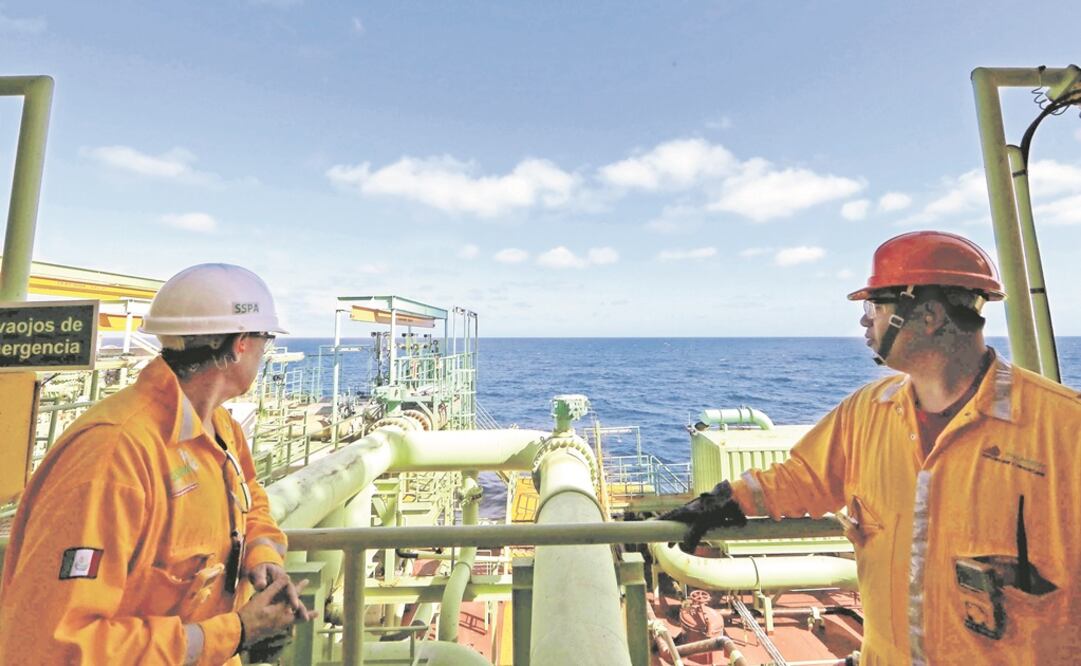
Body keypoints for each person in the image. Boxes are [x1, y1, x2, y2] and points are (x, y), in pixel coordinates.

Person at [662, 231, 1081, 664]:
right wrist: (723, 502)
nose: (866, 321)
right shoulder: (867, 412)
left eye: (876, 306)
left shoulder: (1064, 430)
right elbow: (803, 479)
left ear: (931, 314)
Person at [0, 263, 315, 665]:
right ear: (240, 344)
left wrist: (262, 558)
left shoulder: (220, 428)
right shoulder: (114, 454)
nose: (264, 350)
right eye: (265, 338)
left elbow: (249, 497)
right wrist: (235, 632)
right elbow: (61, 646)